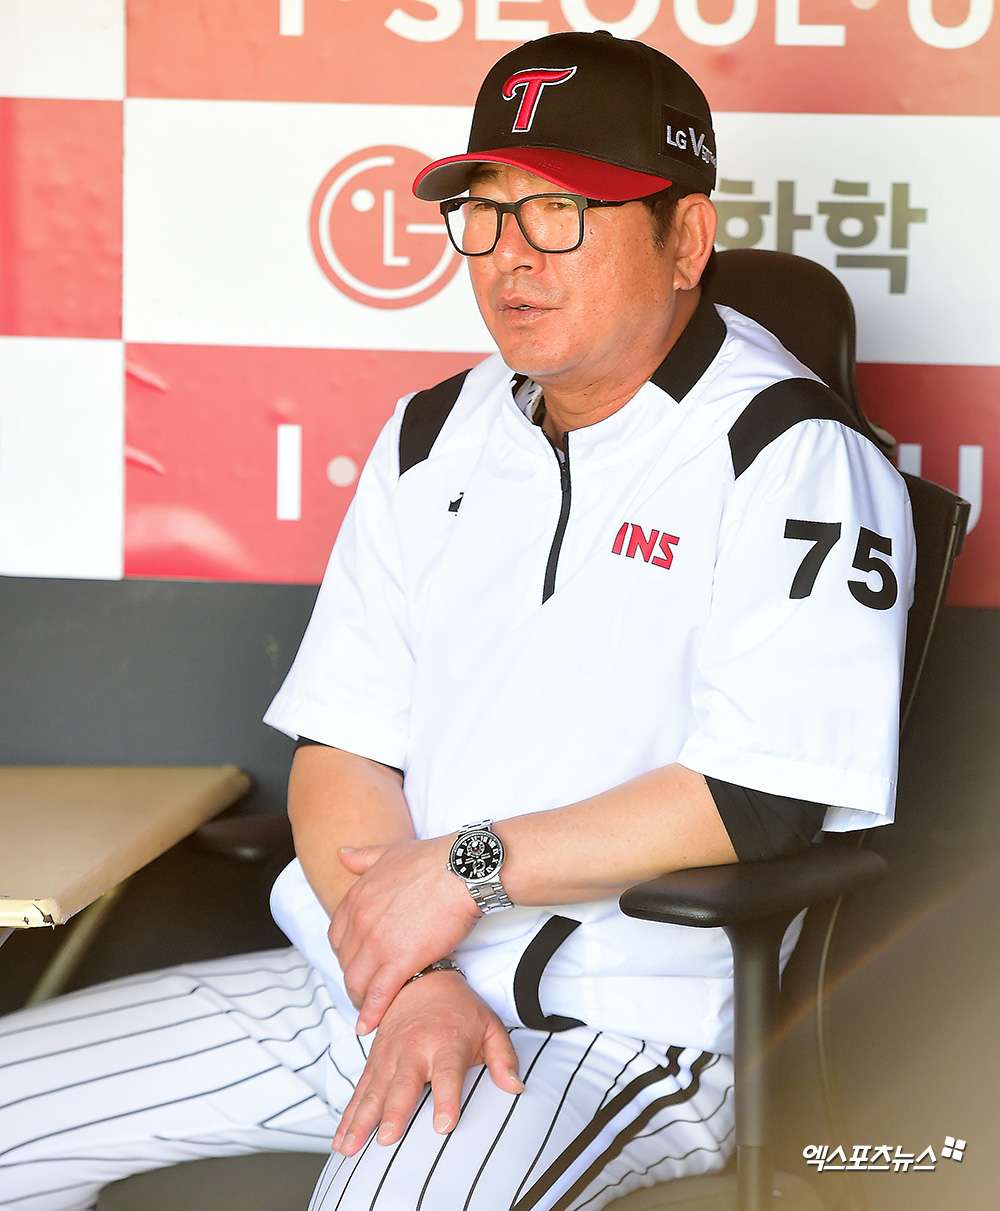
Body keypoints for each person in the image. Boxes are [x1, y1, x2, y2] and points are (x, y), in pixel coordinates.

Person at [0, 30, 914, 1211]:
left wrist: (465, 867)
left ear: (685, 239)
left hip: (606, 1025)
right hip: (370, 987)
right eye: (484, 213)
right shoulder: (436, 432)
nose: (509, 256)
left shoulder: (787, 452)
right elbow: (341, 746)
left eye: (560, 214)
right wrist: (417, 970)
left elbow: (760, 794)